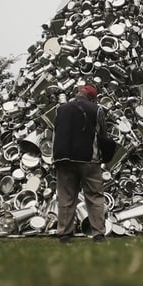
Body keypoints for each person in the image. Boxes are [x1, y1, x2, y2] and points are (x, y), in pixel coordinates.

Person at [53, 85, 110, 243]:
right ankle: (98, 233)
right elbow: (102, 134)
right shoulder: (96, 109)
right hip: (89, 159)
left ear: (77, 94)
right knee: (94, 196)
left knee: (66, 197)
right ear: (92, 98)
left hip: (63, 158)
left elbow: (56, 132)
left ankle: (64, 234)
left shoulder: (61, 109)